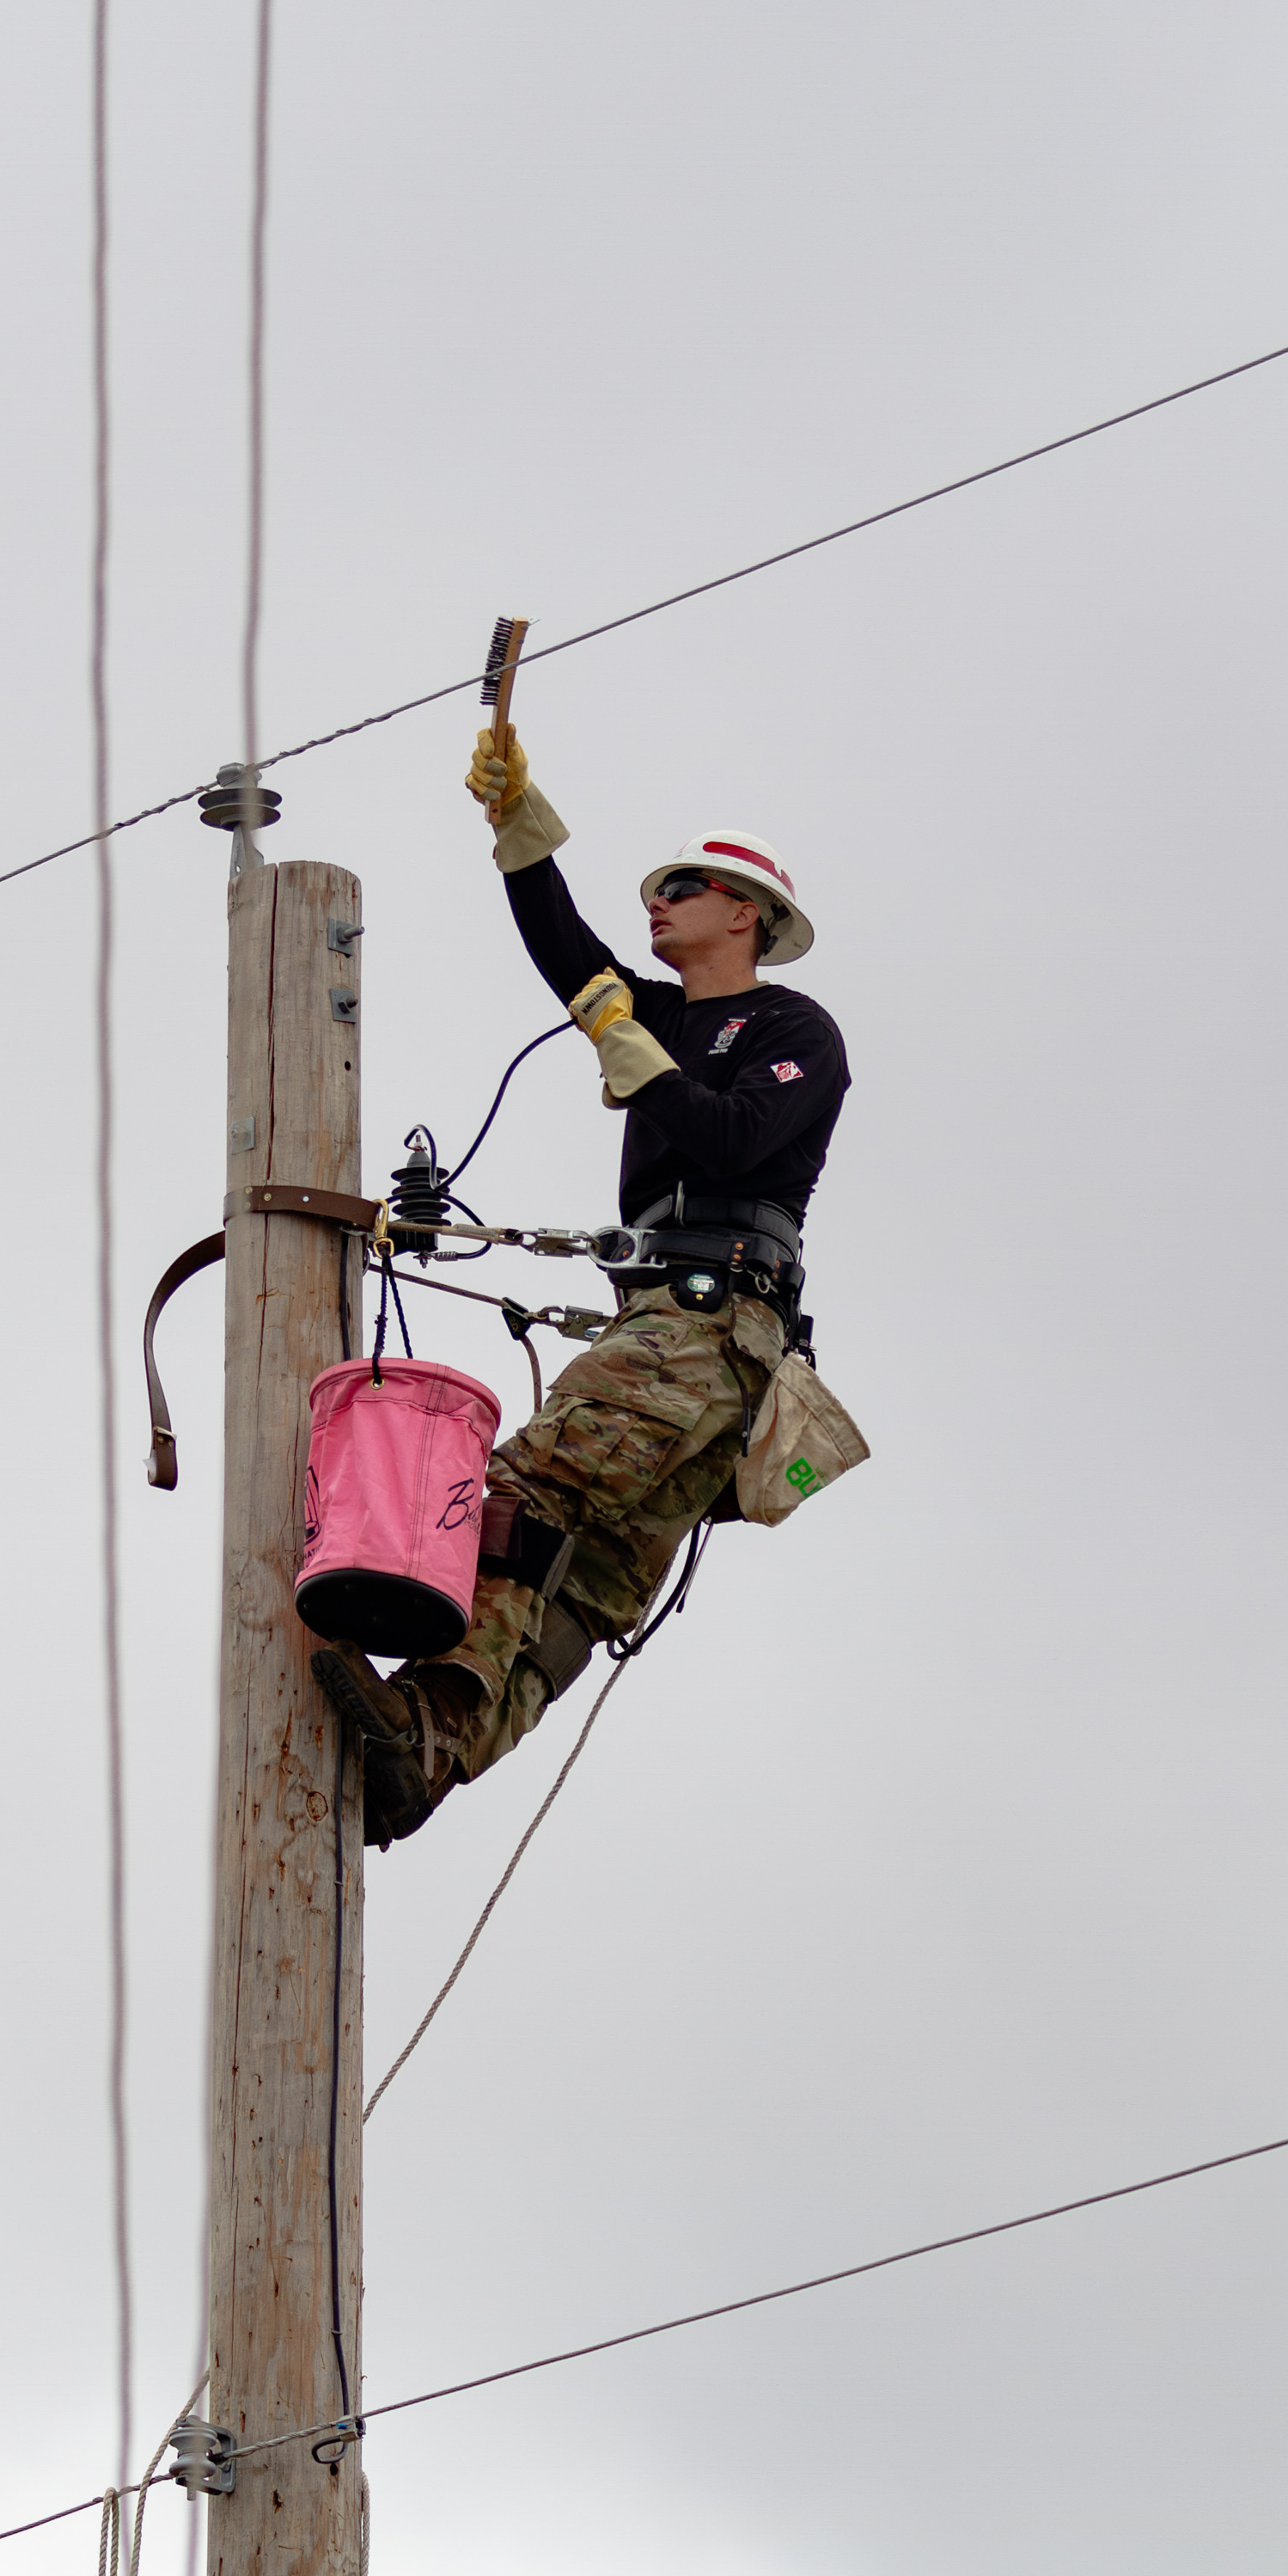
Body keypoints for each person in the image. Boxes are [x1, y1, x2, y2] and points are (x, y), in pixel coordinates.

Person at [314, 724, 851, 1846]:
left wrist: (630, 1047)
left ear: (745, 911)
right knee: (587, 1578)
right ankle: (425, 1743)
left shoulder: (795, 1029)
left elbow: (735, 1137)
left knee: (528, 1498)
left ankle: (428, 1717)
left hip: (714, 1325)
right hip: (669, 1327)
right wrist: (518, 826)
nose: (660, 906)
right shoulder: (654, 1014)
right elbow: (565, 945)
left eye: (687, 890)